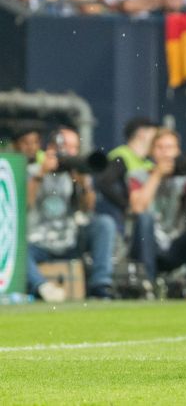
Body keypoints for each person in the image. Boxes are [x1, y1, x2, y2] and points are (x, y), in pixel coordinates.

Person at [26, 126, 117, 301]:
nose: (70, 152)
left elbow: (87, 208)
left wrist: (83, 185)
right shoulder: (32, 170)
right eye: (66, 146)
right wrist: (40, 174)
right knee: (18, 250)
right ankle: (41, 286)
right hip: (38, 242)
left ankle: (100, 285)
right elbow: (25, 206)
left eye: (75, 147)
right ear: (51, 148)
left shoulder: (76, 173)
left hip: (70, 239)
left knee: (104, 223)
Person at [126, 128, 186, 293]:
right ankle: (148, 285)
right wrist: (157, 175)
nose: (165, 153)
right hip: (148, 244)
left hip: (175, 245)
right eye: (160, 148)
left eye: (170, 148)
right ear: (152, 151)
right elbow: (138, 208)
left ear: (178, 151)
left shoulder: (185, 179)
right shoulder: (138, 175)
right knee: (145, 218)